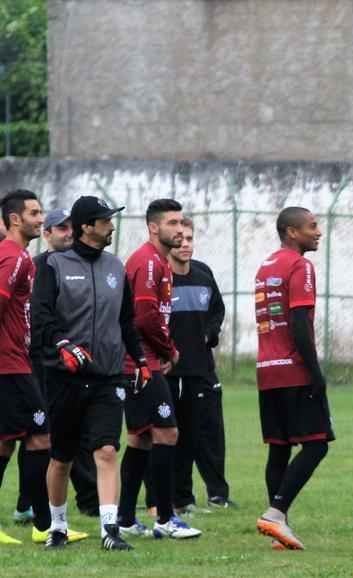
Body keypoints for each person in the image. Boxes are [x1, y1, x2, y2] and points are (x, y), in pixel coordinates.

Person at [34, 195, 150, 550]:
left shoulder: (116, 267)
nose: (112, 226)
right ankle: (57, 526)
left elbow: (126, 320)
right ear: (87, 226)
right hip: (64, 377)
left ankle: (109, 530)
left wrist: (140, 360)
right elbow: (40, 318)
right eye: (105, 220)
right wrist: (64, 344)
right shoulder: (53, 265)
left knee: (107, 450)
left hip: (108, 376)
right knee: (62, 457)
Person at [115, 199, 201, 540]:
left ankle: (124, 518)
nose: (179, 229)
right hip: (141, 364)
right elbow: (145, 317)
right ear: (153, 227)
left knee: (140, 438)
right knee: (168, 433)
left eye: (181, 223)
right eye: (172, 223)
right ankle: (166, 518)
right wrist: (170, 350)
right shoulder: (148, 262)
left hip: (143, 362)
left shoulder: (158, 261)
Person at [253, 207, 334, 551]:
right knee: (316, 444)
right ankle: (276, 512)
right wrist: (316, 373)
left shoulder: (265, 267)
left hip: (266, 370)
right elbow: (300, 323)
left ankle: (280, 527)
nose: (318, 232)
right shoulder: (301, 266)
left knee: (280, 448)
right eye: (312, 227)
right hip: (293, 370)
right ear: (291, 232)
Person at [13, 208, 98, 524]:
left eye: (70, 228)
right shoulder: (37, 266)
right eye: (60, 228)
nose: (68, 233)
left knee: (63, 433)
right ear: (46, 233)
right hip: (40, 361)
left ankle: (83, 500)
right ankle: (29, 504)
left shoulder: (81, 266)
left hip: (73, 361)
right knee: (37, 432)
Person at [166, 217, 234, 512]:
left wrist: (211, 332)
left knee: (211, 434)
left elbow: (217, 308)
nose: (185, 245)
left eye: (190, 239)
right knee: (177, 437)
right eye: (179, 240)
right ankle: (181, 498)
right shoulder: (160, 277)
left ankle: (218, 494)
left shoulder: (203, 274)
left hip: (202, 370)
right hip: (172, 373)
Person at [0, 191, 54, 545]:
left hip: (14, 362)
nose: (41, 218)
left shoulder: (17, 256)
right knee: (39, 437)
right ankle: (45, 526)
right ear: (15, 219)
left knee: (7, 444)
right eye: (35, 213)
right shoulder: (15, 257)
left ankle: (43, 525)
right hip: (10, 365)